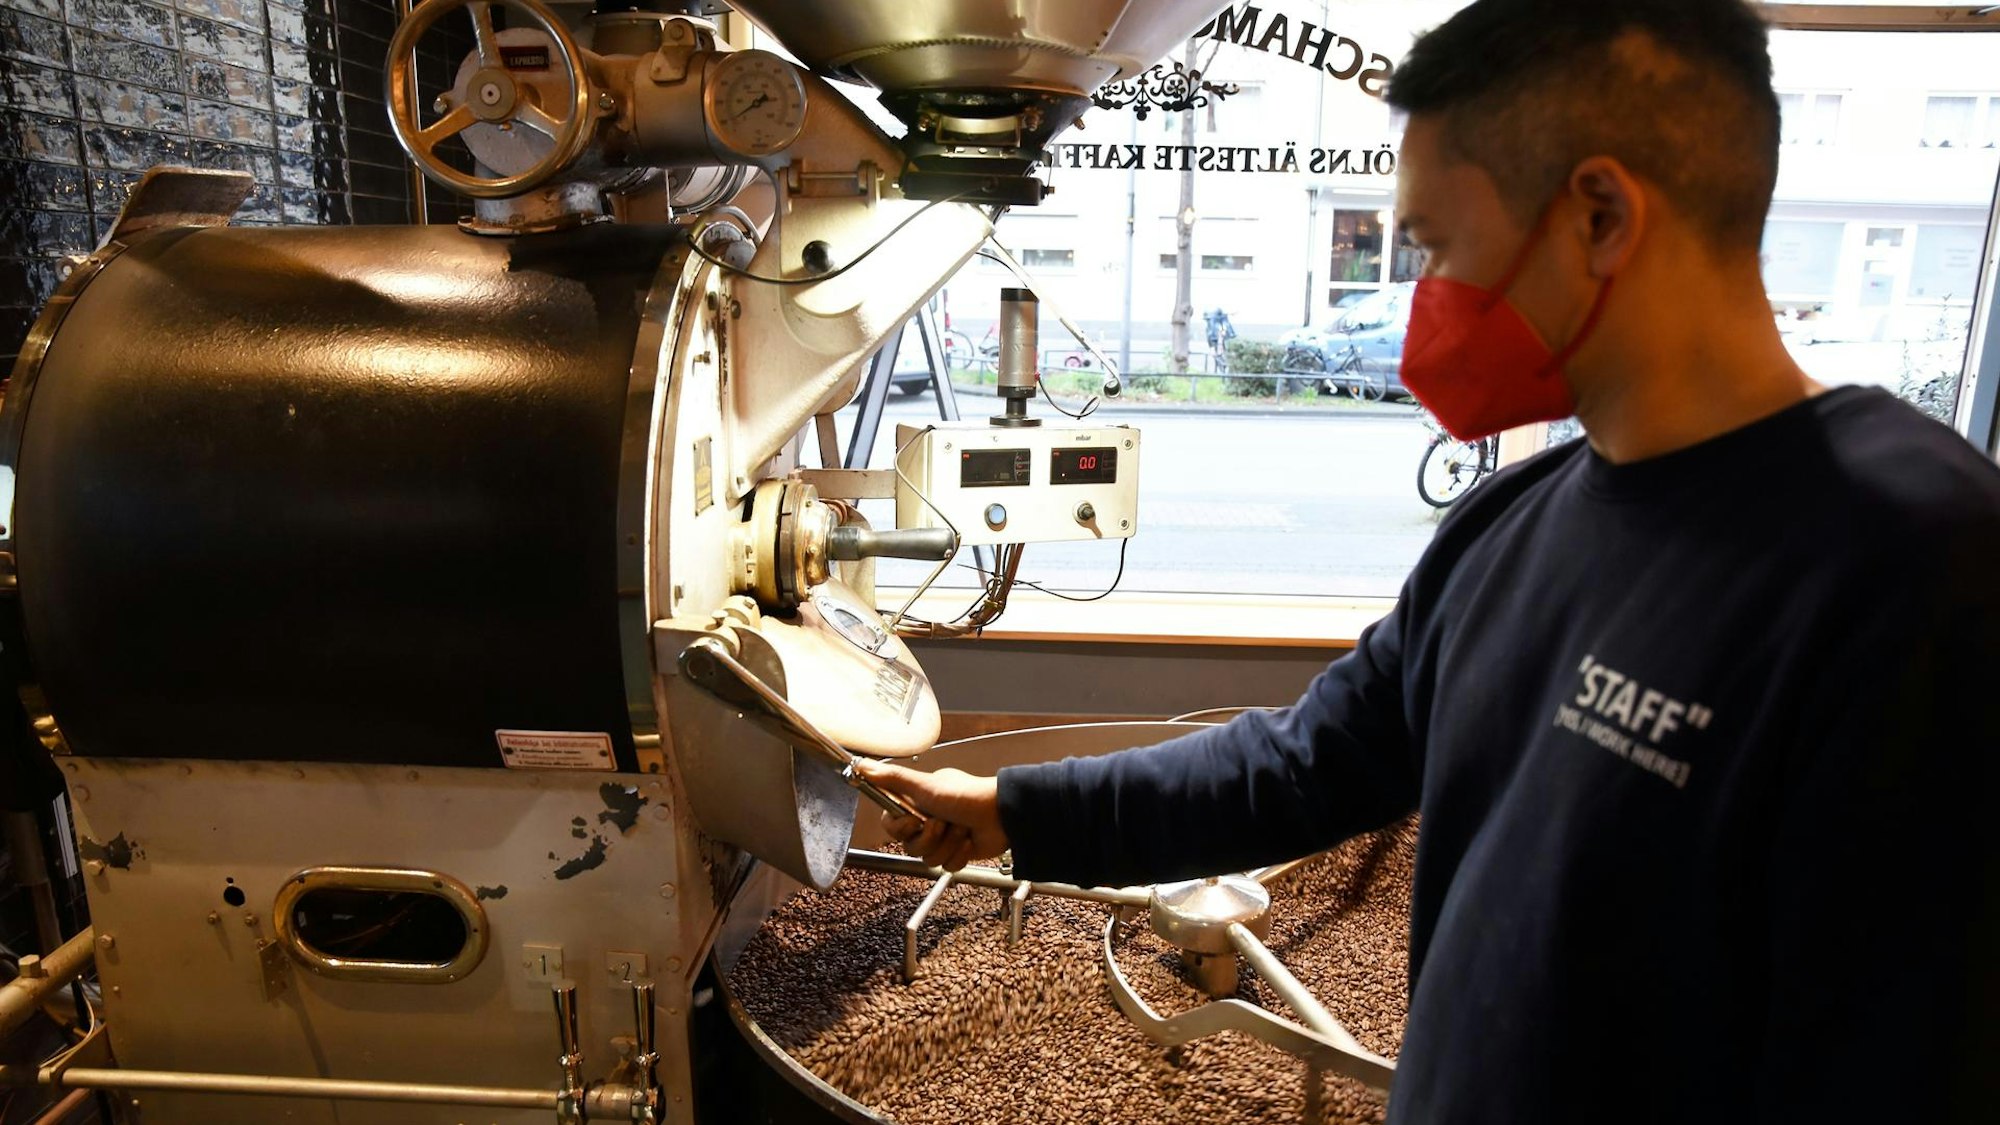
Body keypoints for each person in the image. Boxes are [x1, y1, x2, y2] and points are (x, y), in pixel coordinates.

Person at [856, 1, 2000, 1121]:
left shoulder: (1913, 564)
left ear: (1598, 214)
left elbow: (1897, 1057)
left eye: (1439, 249)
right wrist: (1010, 806)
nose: (1421, 305)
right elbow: (1304, 766)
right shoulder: (1512, 521)